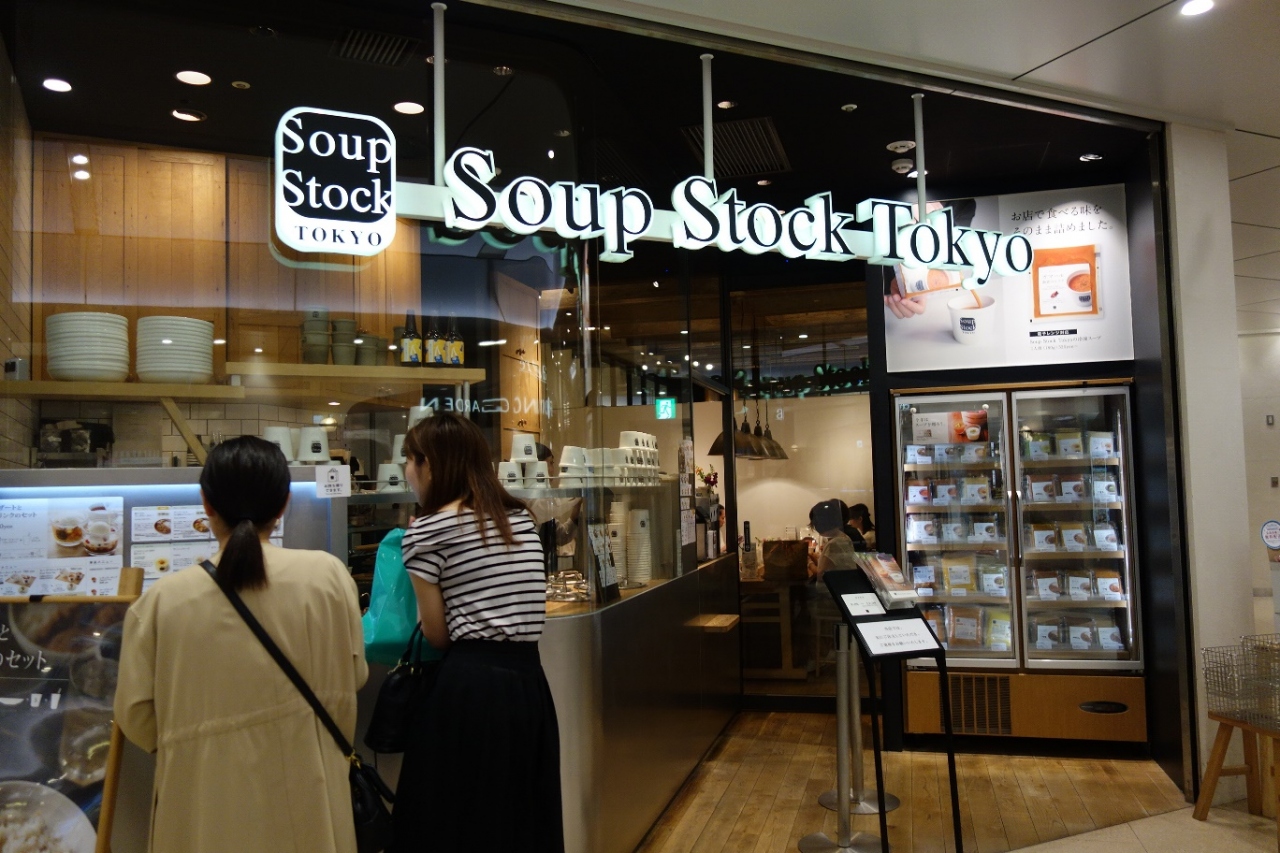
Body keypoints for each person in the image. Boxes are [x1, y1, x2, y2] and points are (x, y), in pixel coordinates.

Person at [115, 437, 367, 853]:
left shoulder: (161, 602)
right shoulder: (328, 577)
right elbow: (354, 675)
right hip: (311, 797)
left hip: (203, 807)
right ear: (284, 503)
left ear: (206, 504)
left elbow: (137, 716)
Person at [394, 413, 564, 852]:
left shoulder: (427, 531)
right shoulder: (518, 518)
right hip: (529, 683)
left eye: (409, 460)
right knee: (521, 818)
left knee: (457, 822)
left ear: (430, 465)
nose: (406, 471)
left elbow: (437, 635)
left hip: (469, 690)